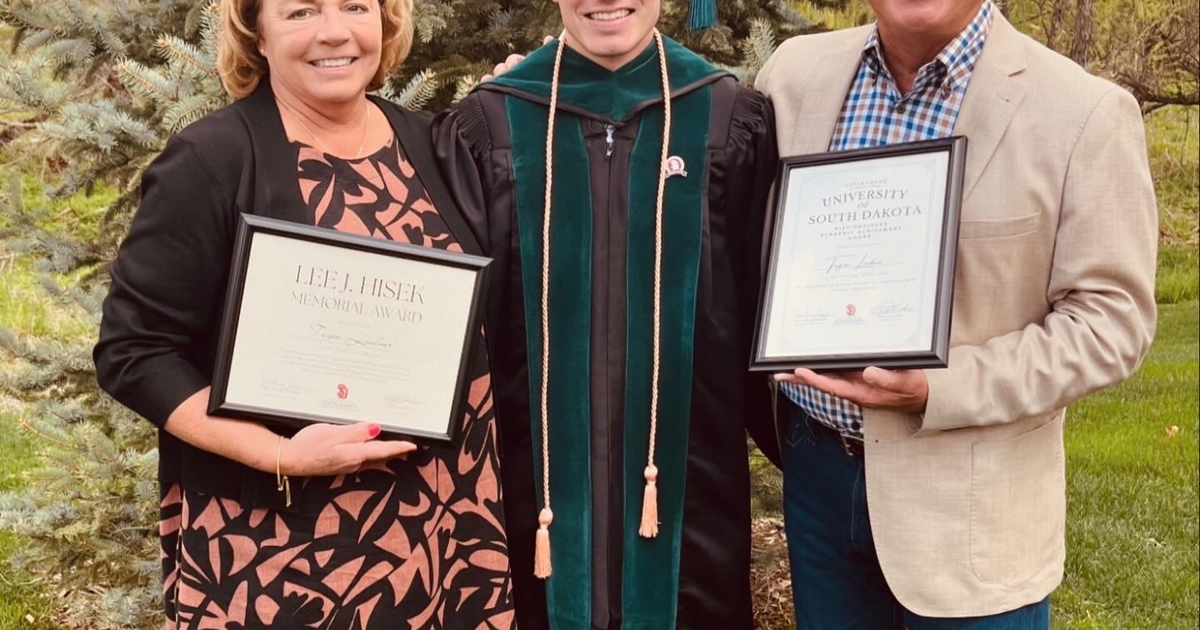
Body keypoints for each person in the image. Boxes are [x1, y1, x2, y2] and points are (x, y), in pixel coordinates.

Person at [92, 0, 514, 627]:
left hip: (451, 527)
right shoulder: (212, 160)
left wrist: (523, 97)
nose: (334, 32)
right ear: (256, 33)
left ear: (384, 21)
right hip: (287, 548)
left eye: (355, 6)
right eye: (300, 12)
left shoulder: (436, 145)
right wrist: (279, 455)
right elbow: (133, 352)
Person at [754, 0, 1158, 627]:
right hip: (817, 480)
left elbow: (1112, 321)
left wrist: (938, 387)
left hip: (972, 508)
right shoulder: (791, 75)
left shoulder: (1084, 112)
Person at [432, 1, 780, 628]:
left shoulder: (727, 114)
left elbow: (764, 314)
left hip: (691, 499)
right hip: (530, 493)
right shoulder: (493, 121)